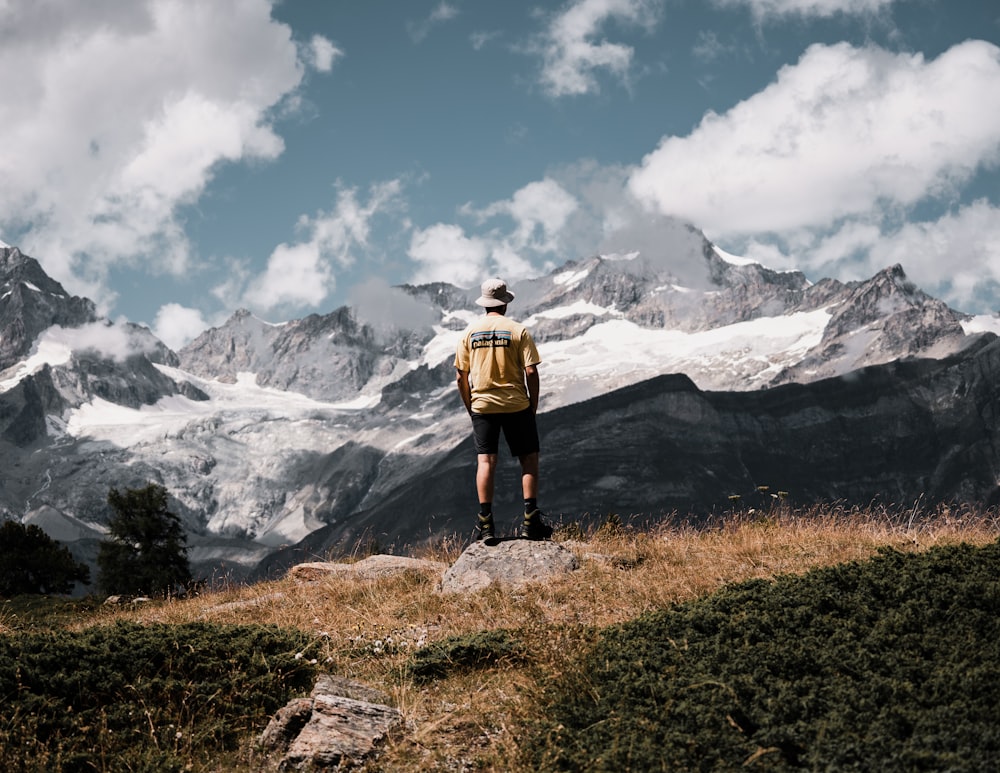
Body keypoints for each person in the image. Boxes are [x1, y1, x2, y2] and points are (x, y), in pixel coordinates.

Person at [455, 277, 552, 543]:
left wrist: (471, 405)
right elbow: (531, 371)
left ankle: (486, 524)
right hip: (516, 403)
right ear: (505, 304)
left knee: (486, 462)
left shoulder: (469, 333)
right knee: (528, 459)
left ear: (485, 304)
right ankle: (530, 521)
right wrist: (532, 405)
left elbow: (461, 377)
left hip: (482, 405)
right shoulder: (518, 330)